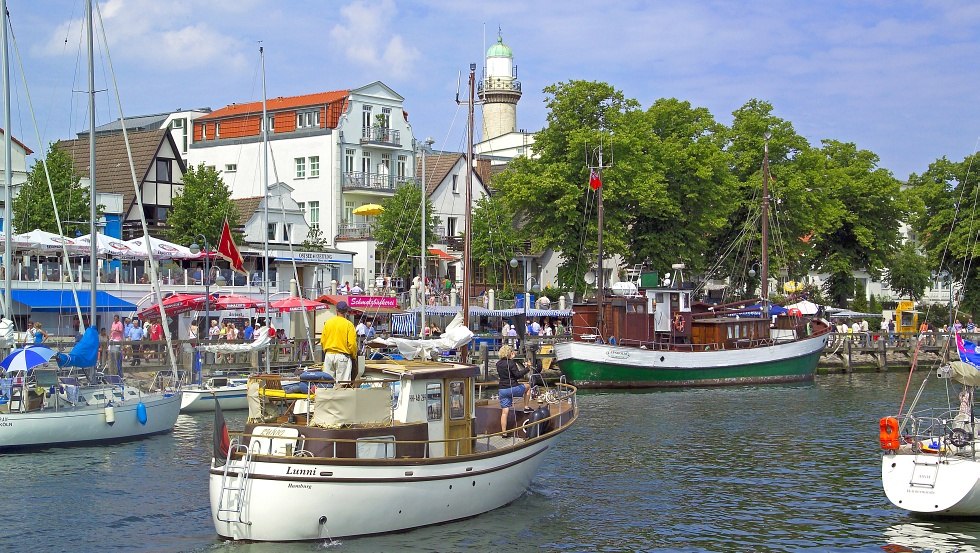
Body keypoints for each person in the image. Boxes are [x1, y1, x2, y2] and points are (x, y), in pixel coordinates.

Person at [495, 344, 532, 435]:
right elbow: (517, 375)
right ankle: (526, 407)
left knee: (505, 411)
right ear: (509, 353)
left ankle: (504, 433)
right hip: (513, 388)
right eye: (512, 351)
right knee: (528, 387)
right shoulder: (511, 363)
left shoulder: (498, 364)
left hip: (502, 390)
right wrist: (527, 368)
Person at [320, 301, 358, 385]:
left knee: (327, 384)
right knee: (342, 384)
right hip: (342, 356)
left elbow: (323, 341)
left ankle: (328, 398)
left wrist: (326, 352)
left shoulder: (328, 323)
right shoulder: (349, 325)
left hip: (329, 355)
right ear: (346, 311)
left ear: (336, 310)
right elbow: (352, 344)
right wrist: (353, 356)